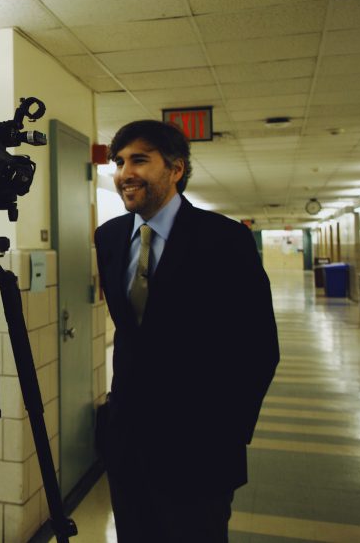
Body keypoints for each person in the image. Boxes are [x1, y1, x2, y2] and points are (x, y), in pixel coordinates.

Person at [94, 119, 279, 542]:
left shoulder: (225, 240)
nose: (125, 173)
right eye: (119, 162)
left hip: (200, 450)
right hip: (129, 447)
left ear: (175, 169)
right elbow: (132, 335)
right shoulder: (109, 237)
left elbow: (259, 348)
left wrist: (227, 435)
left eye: (139, 159)